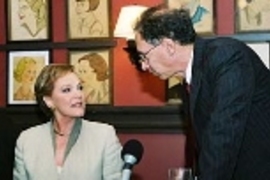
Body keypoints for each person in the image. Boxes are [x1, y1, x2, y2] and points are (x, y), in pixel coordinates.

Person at [134, 4, 270, 180]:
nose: (144, 65)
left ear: (169, 46)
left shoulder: (226, 56)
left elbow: (223, 137)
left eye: (144, 56)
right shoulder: (193, 74)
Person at [13, 64, 123, 180]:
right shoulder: (27, 141)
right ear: (49, 101)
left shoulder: (104, 136)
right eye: (67, 90)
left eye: (80, 87)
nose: (78, 95)